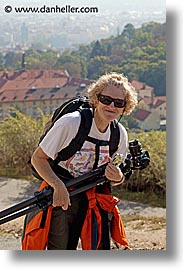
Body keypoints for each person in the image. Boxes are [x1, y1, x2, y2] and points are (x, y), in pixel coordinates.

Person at [30, 72, 138, 250]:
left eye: (118, 103)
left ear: (125, 108)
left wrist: (118, 177)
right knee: (62, 249)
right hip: (63, 192)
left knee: (99, 248)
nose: (111, 106)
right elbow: (38, 158)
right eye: (106, 99)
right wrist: (58, 186)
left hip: (93, 196)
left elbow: (116, 176)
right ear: (96, 98)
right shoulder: (71, 123)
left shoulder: (119, 134)